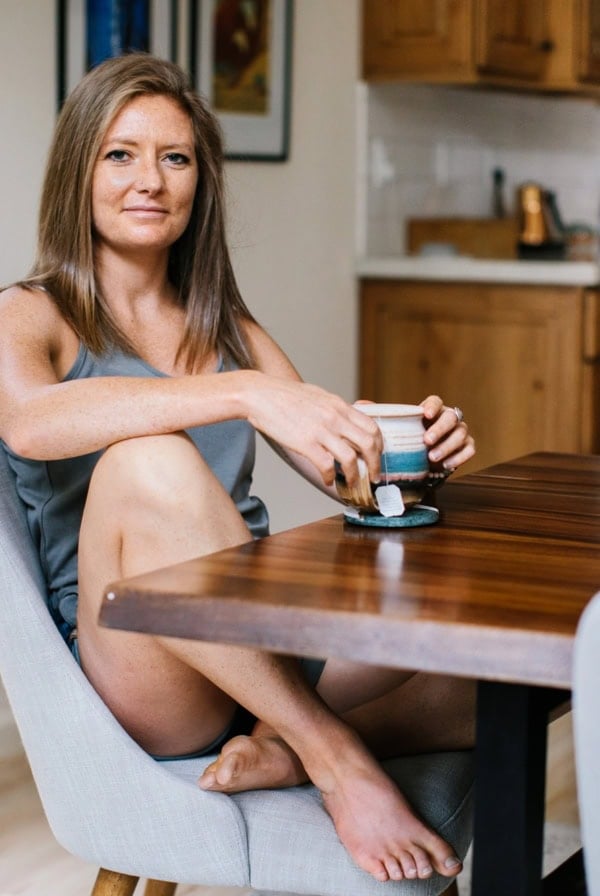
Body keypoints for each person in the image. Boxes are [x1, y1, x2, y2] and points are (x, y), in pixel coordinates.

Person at [0, 53, 476, 885]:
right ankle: (331, 757)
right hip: (147, 670)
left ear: (201, 181)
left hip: (257, 650)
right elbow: (29, 422)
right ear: (79, 170)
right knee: (152, 462)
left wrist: (411, 453)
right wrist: (241, 392)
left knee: (502, 673)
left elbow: (347, 478)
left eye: (175, 157)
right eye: (121, 154)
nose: (150, 180)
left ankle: (279, 748)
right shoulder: (30, 313)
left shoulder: (229, 329)